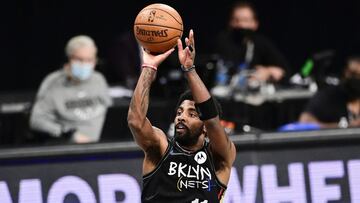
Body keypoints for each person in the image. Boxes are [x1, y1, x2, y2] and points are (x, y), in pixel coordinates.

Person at [127, 30, 236, 202]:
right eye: (179, 112)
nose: (181, 117)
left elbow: (212, 120)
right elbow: (135, 121)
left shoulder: (220, 158)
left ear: (205, 128)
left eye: (192, 113)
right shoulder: (161, 148)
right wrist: (149, 68)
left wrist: (189, 69)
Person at [30, 35, 112, 144]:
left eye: (89, 60)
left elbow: (108, 112)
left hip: (99, 148)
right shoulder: (53, 82)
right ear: (68, 59)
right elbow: (36, 121)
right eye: (79, 59)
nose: (84, 64)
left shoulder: (99, 80)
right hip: (66, 149)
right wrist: (67, 134)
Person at [215, 1, 289, 84]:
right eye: (236, 20)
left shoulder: (261, 43)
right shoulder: (221, 42)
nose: (241, 25)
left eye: (245, 20)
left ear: (255, 24)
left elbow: (284, 71)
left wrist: (268, 71)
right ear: (230, 22)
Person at [299, 56, 360, 128]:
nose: (357, 78)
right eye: (354, 74)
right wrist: (345, 126)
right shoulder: (329, 96)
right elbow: (305, 123)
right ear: (345, 73)